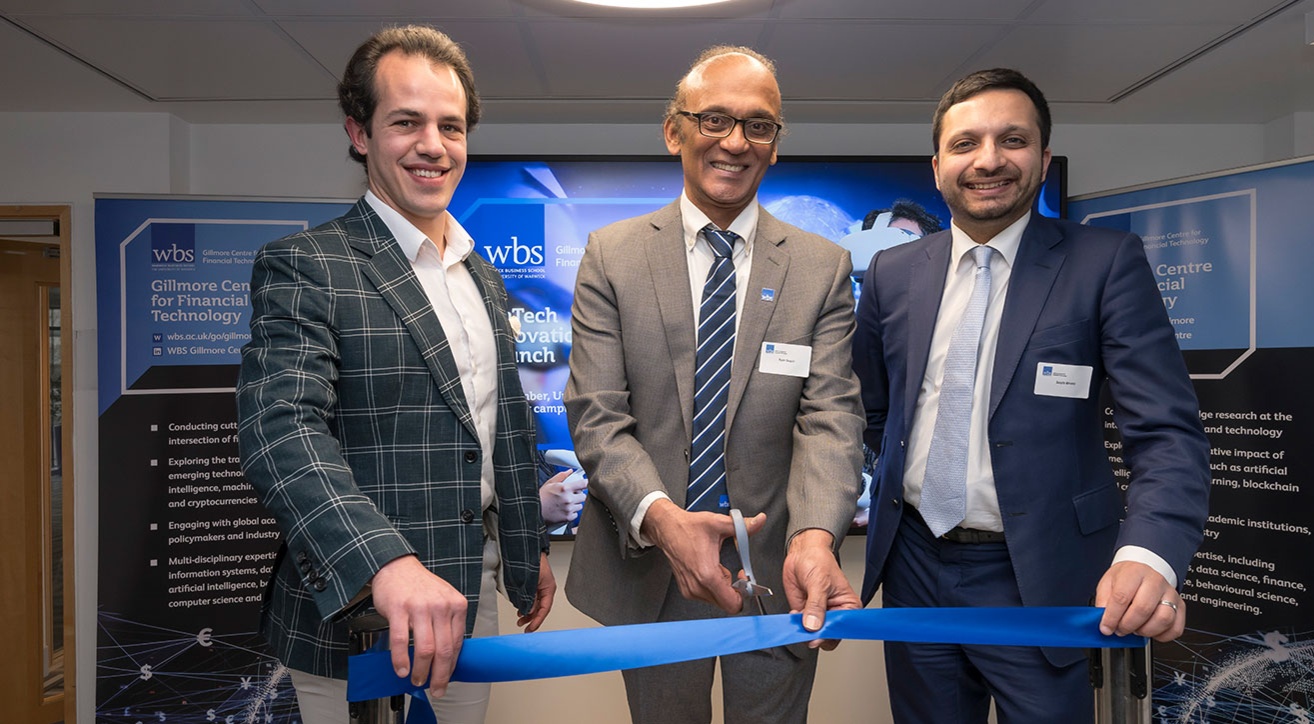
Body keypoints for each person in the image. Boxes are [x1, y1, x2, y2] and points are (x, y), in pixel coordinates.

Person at [852, 68, 1211, 722]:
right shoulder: (893, 272)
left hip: (1039, 576)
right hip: (913, 570)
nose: (988, 159)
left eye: (1011, 140)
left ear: (1043, 160)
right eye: (966, 144)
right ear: (937, 168)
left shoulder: (1105, 263)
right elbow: (873, 411)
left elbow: (1165, 435)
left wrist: (1148, 553)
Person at [236, 25, 568, 724]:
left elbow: (500, 422)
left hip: (469, 598)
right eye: (406, 122)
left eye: (451, 126)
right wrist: (384, 564)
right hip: (353, 610)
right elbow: (280, 431)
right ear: (359, 132)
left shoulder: (481, 272)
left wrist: (525, 545)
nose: (433, 145)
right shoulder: (309, 264)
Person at [563, 46, 865, 724]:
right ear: (675, 131)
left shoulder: (820, 267)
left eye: (758, 125)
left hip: (778, 571)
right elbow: (596, 414)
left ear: (776, 144)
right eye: (715, 119)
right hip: (652, 569)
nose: (736, 142)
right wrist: (666, 524)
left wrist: (815, 535)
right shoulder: (612, 255)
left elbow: (832, 419)